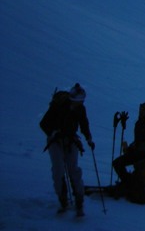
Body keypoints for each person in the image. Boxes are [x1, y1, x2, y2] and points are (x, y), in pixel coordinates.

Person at [39, 83, 95, 216]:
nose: (80, 103)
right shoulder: (58, 106)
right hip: (56, 141)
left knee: (73, 169)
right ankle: (63, 199)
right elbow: (44, 123)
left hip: (70, 140)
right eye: (79, 101)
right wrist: (53, 133)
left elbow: (84, 123)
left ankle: (79, 201)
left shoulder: (81, 108)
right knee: (58, 169)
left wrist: (89, 138)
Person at [113, 101, 145, 203]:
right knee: (117, 163)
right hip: (140, 153)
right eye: (140, 111)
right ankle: (130, 184)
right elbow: (139, 141)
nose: (140, 113)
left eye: (143, 111)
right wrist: (132, 148)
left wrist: (137, 149)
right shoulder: (139, 123)